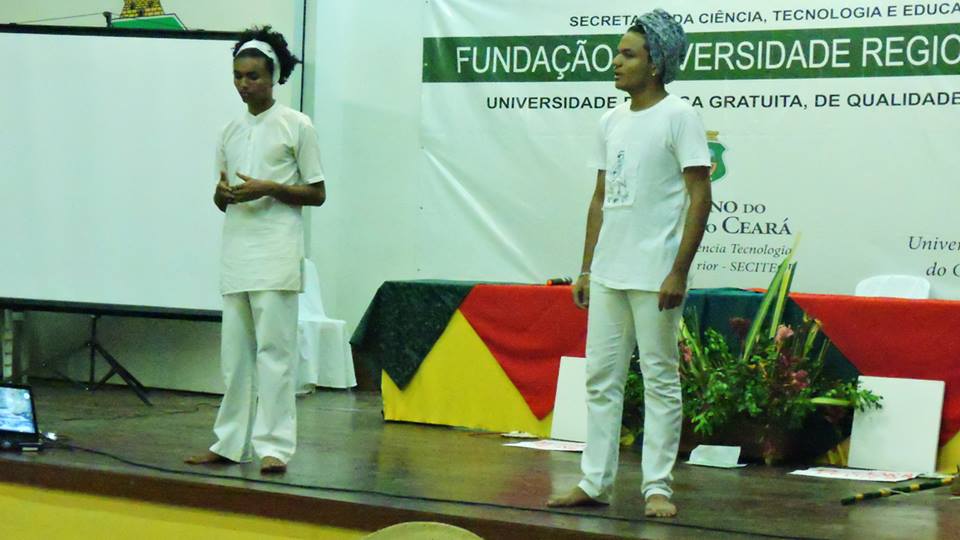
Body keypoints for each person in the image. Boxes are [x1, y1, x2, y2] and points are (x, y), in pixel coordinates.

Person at [547, 9, 711, 517]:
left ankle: (657, 487)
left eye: (628, 54)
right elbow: (600, 198)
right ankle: (594, 481)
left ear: (655, 63)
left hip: (656, 271)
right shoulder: (610, 120)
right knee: (601, 378)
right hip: (608, 272)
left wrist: (678, 269)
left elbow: (700, 196)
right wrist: (586, 268)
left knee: (660, 378)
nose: (616, 62)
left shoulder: (679, 116)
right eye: (618, 53)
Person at [185, 26, 326, 474]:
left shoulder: (297, 125)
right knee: (235, 358)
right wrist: (222, 195)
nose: (244, 84)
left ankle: (274, 446)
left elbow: (318, 193)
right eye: (238, 76)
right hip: (237, 255)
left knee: (275, 355)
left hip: (276, 254)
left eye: (253, 76)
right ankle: (229, 443)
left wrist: (271, 188)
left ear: (274, 77)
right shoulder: (229, 130)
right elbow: (221, 195)